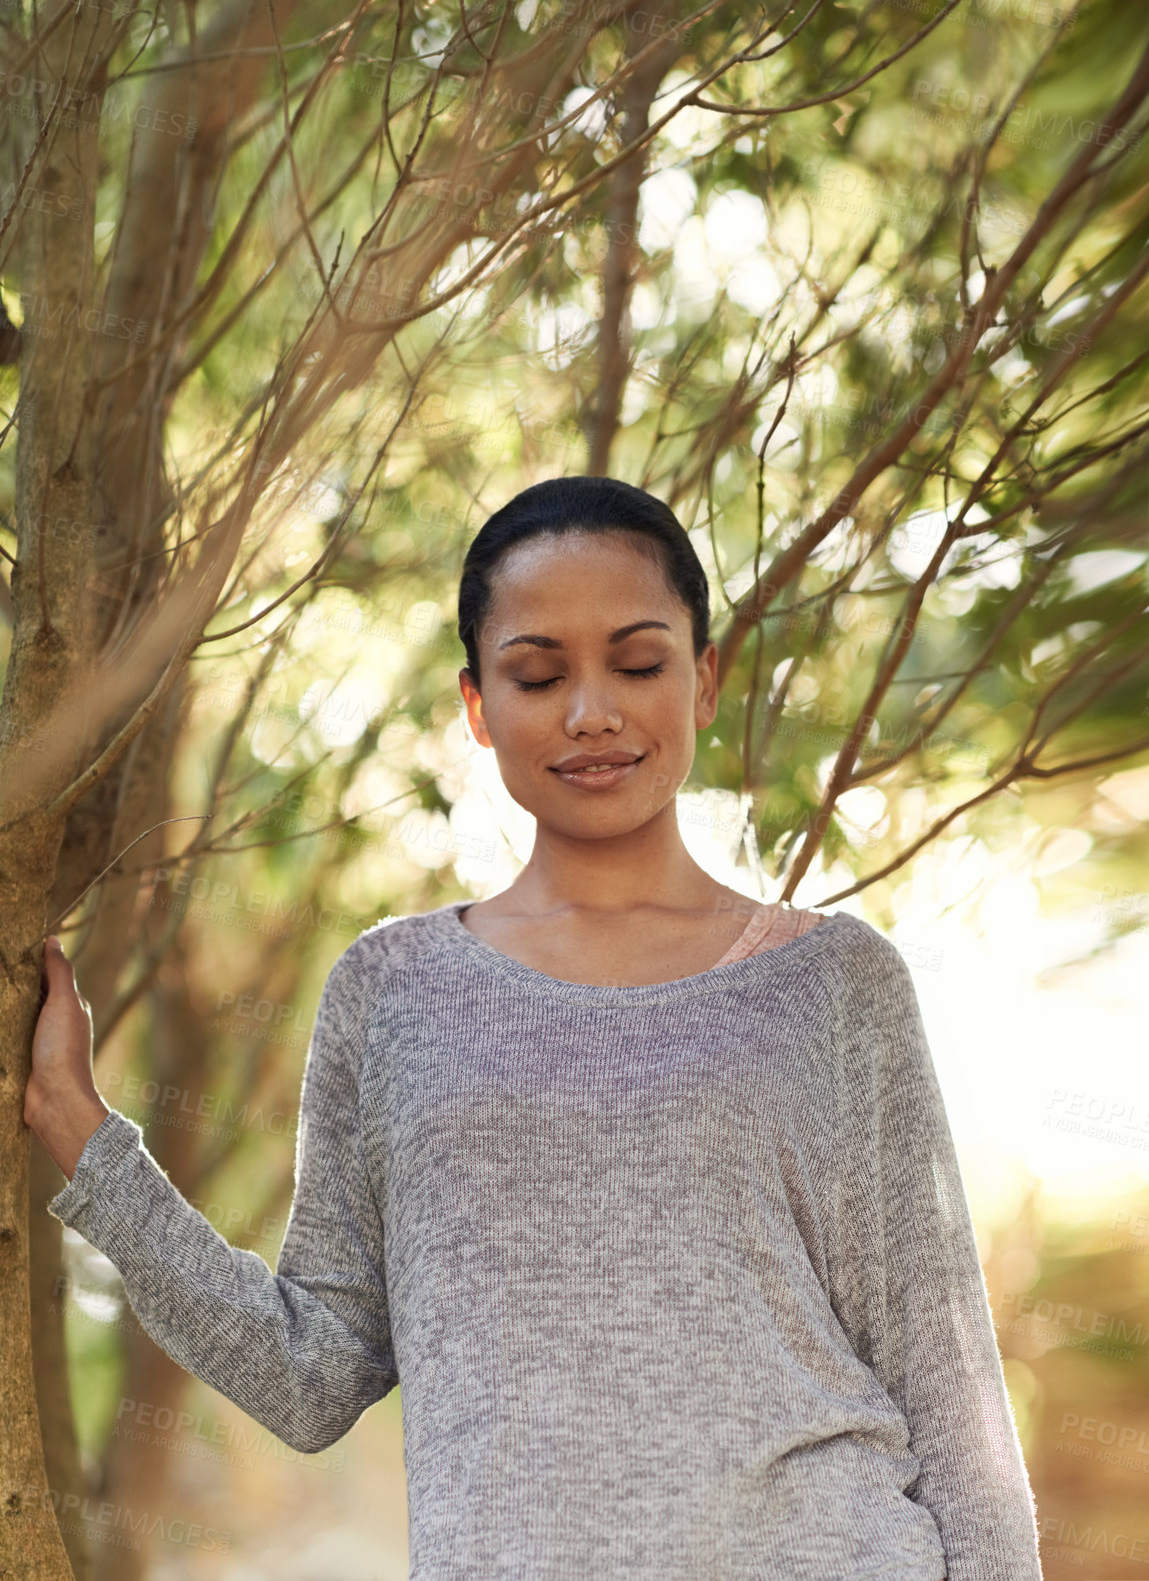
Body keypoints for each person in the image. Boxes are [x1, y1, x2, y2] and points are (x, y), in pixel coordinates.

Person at [27, 475, 1044, 1580]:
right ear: (478, 706)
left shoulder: (836, 983)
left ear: (704, 680)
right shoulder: (392, 991)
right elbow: (315, 1372)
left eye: (640, 662)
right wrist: (84, 1137)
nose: (591, 710)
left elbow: (954, 1407)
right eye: (538, 673)